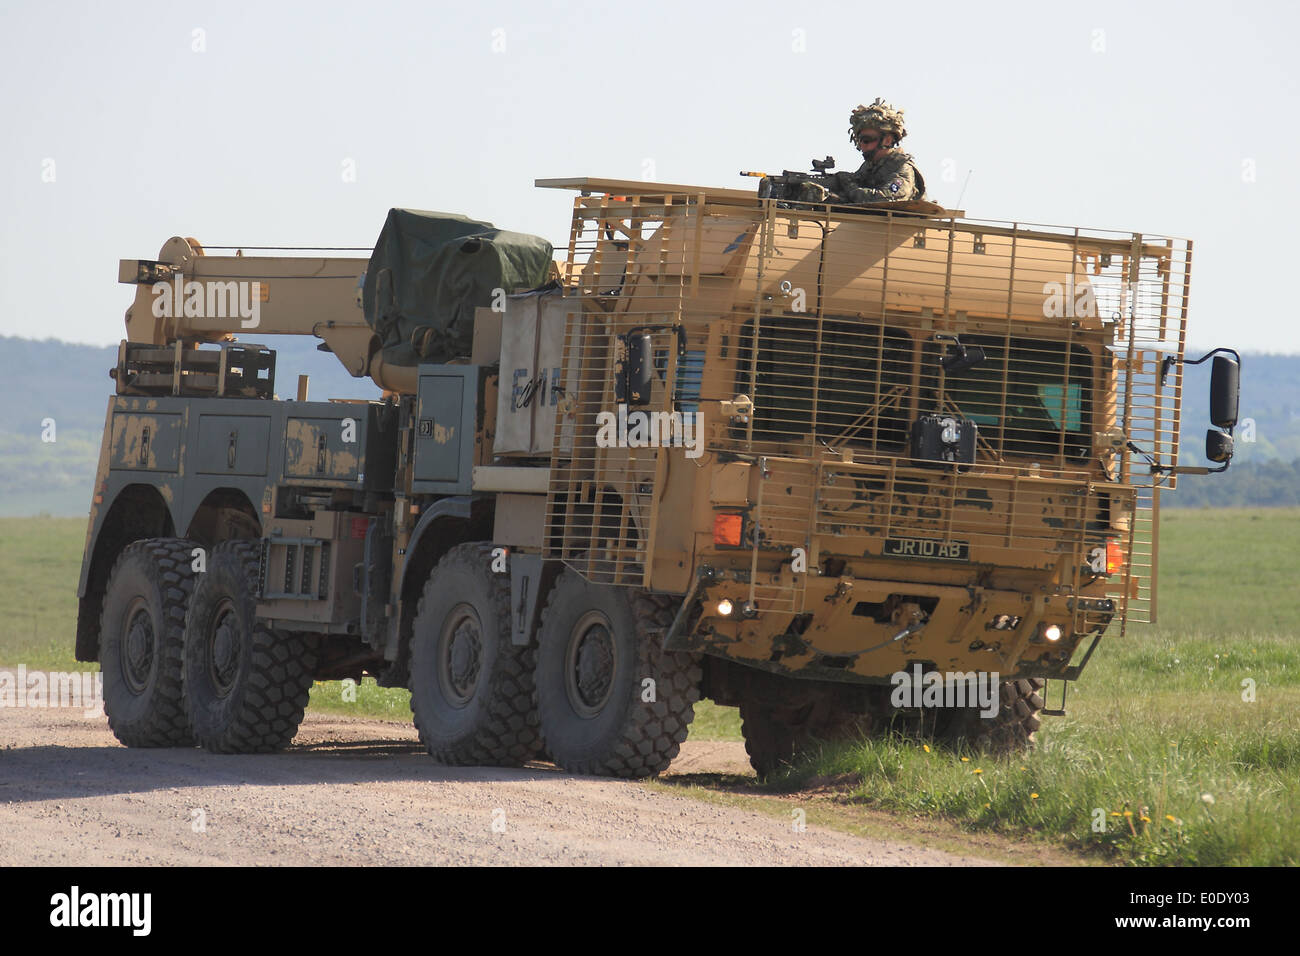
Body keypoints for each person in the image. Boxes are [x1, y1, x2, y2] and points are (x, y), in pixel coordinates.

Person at [797, 98, 927, 204]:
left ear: (887, 140)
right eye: (859, 141)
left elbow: (884, 199)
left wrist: (848, 185)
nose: (862, 146)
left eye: (867, 140)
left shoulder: (902, 169)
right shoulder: (870, 167)